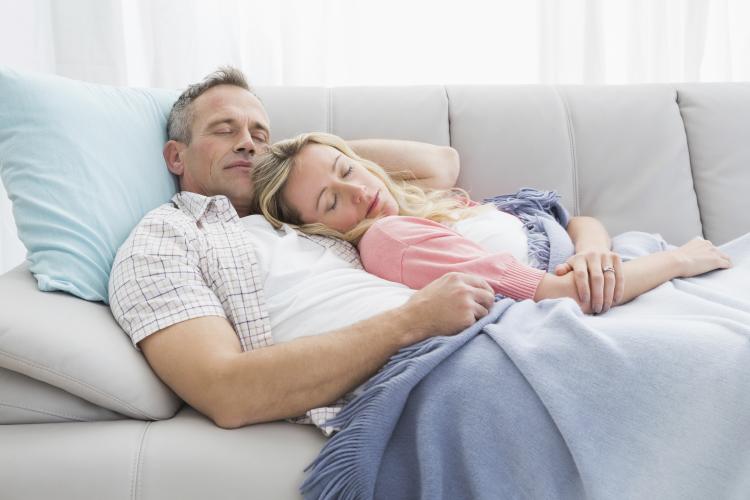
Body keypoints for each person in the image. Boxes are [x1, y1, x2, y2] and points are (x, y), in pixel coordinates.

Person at [108, 66, 497, 432]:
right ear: (176, 156)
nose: (247, 143)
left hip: (484, 321)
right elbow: (225, 390)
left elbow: (440, 166)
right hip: (431, 360)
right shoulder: (164, 238)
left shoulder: (299, 206)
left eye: (259, 135)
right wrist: (414, 320)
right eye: (225, 131)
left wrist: (306, 156)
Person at [250, 132, 733, 314]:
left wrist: (590, 253)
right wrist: (679, 260)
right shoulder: (391, 238)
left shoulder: (421, 209)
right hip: (625, 284)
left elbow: (580, 221)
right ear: (319, 232)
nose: (360, 190)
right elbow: (560, 293)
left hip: (619, 266)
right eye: (331, 202)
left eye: (347, 168)